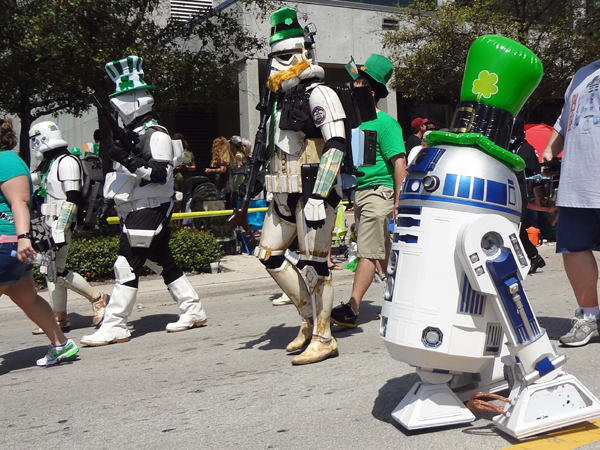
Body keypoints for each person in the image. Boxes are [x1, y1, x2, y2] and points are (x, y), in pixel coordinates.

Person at [80, 55, 207, 347]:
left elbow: (160, 174)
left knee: (126, 265)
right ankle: (193, 309)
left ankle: (115, 325)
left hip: (150, 208)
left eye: (123, 97)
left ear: (137, 99)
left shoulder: (155, 134)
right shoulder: (135, 134)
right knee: (161, 262)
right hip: (137, 208)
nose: (118, 104)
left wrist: (126, 157)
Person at [248, 7, 347, 364]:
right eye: (274, 57)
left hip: (311, 193)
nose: (278, 65)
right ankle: (307, 319)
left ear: (305, 52)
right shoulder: (276, 102)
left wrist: (320, 193)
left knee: (314, 266)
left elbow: (336, 143)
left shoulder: (321, 93)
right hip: (282, 194)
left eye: (285, 57)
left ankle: (325, 335)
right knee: (269, 255)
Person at [330, 54, 407, 328]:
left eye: (357, 84)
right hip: (362, 192)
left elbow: (400, 163)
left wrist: (399, 201)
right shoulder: (356, 123)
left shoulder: (386, 124)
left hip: (380, 192)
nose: (352, 89)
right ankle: (401, 301)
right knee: (380, 253)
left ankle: (352, 307)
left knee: (367, 251)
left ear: (369, 91)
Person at [0, 118, 78, 366]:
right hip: (12, 243)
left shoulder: (6, 161)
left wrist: (23, 239)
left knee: (28, 298)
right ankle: (61, 344)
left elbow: (19, 202)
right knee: (28, 299)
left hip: (7, 242)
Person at [29, 121, 109, 334]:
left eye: (35, 140)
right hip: (47, 221)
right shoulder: (50, 163)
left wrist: (60, 227)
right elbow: (31, 180)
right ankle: (58, 316)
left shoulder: (66, 161)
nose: (34, 145)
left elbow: (72, 197)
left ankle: (97, 297)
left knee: (57, 269)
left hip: (59, 222)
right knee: (50, 270)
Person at [542, 60, 600, 347]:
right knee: (573, 248)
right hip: (578, 179)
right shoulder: (582, 74)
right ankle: (589, 316)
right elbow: (563, 123)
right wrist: (549, 151)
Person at [509, 117, 546, 274]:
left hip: (520, 191)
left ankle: (527, 258)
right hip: (508, 189)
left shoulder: (526, 149)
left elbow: (535, 173)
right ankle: (534, 257)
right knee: (516, 227)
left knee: (516, 227)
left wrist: (540, 196)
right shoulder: (508, 147)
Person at [205, 136, 234, 208]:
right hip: (227, 186)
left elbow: (222, 170)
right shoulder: (228, 156)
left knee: (223, 205)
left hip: (224, 186)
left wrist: (210, 170)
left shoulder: (223, 157)